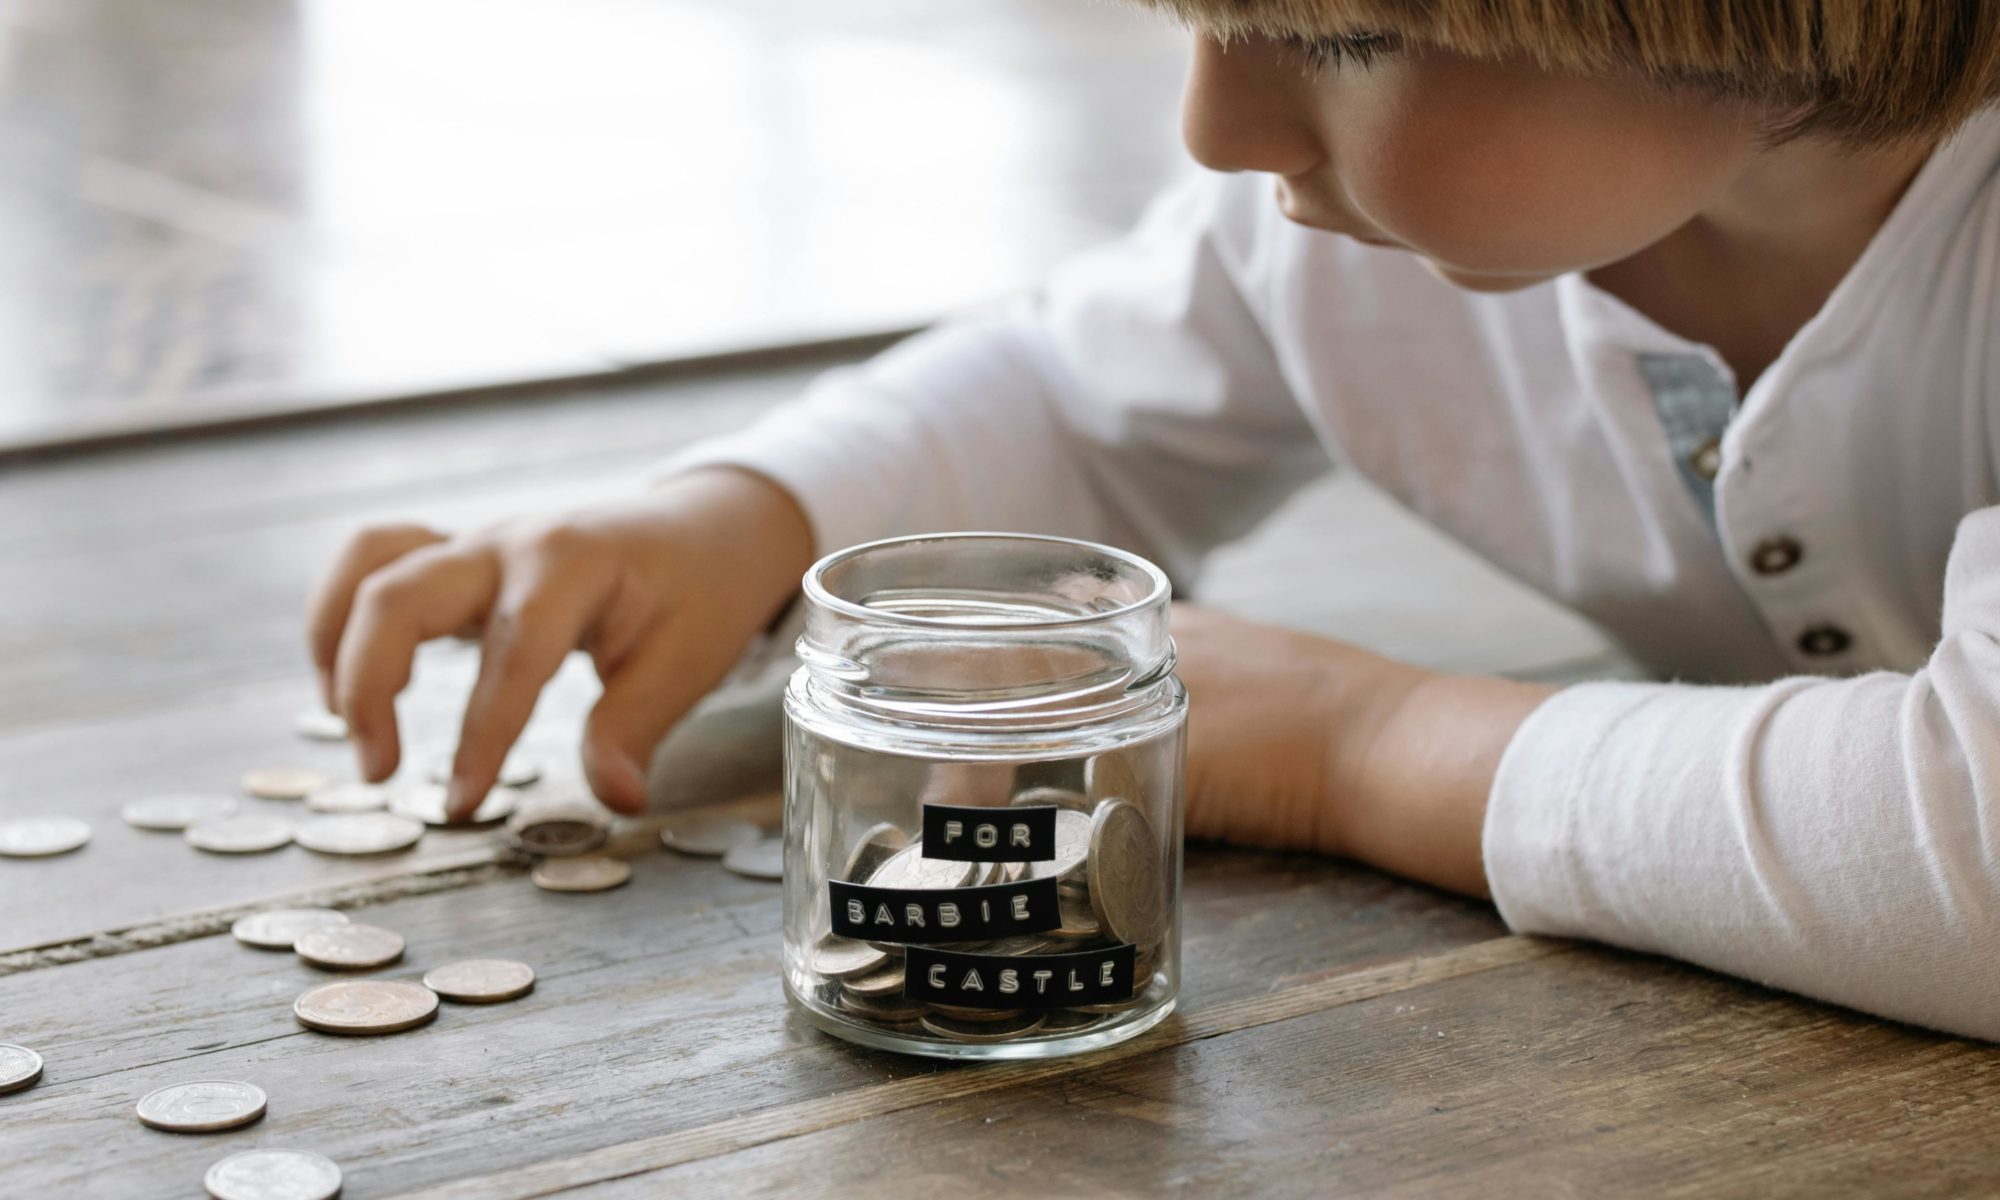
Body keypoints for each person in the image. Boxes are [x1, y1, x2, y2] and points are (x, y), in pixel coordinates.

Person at [306, 1, 2000, 1040]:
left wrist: (1368, 737)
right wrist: (741, 515)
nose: (1215, 126)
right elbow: (1072, 393)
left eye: (1339, 35)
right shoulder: (1336, 243)